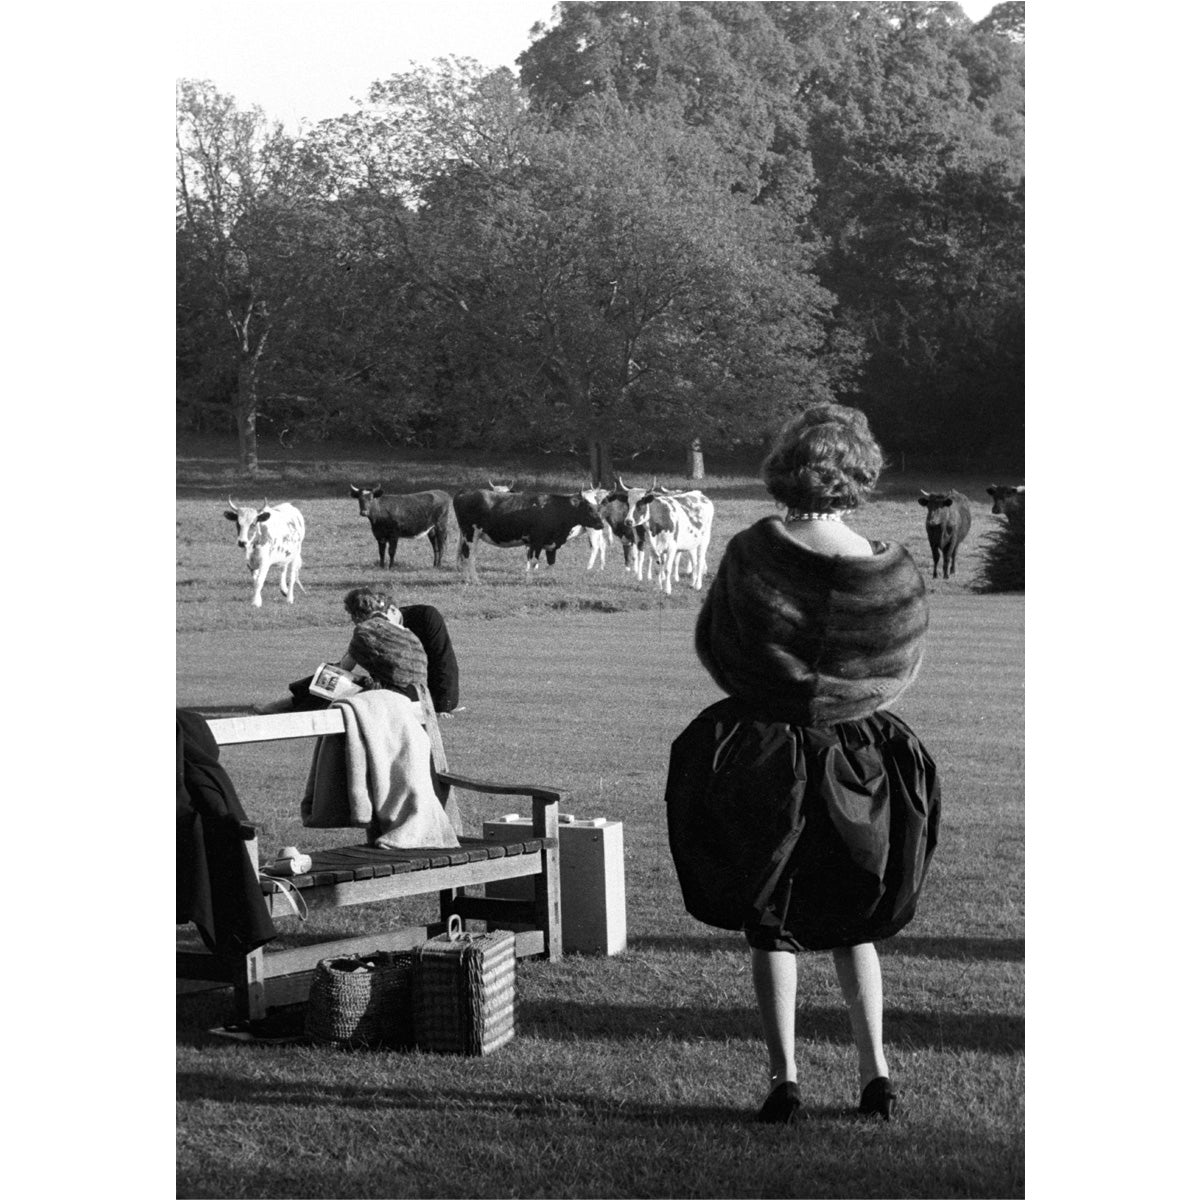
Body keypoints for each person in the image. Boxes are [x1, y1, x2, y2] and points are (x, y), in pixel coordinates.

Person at [664, 403, 940, 1124]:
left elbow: (717, 643)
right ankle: (875, 1074)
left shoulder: (757, 551)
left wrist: (775, 691)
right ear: (860, 473)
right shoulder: (894, 568)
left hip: (764, 751)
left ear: (787, 468)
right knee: (855, 919)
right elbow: (899, 667)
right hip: (862, 755)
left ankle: (785, 1078)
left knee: (772, 919)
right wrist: (845, 702)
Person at [256, 588, 461, 715]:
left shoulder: (371, 630)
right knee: (338, 678)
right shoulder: (401, 629)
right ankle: (292, 702)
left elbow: (343, 667)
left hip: (410, 698)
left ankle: (293, 707)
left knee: (334, 680)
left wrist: (444, 705)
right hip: (413, 694)